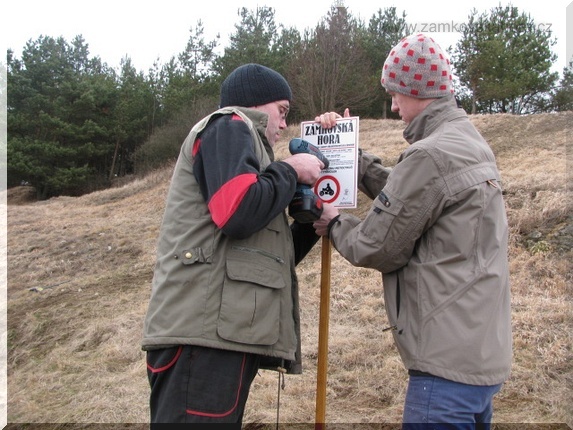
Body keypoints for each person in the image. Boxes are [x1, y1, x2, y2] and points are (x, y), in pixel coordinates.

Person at [313, 34, 512, 428]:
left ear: (415, 90)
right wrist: (353, 157)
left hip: (444, 369)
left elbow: (376, 246)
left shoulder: (430, 155)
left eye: (395, 94)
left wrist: (333, 221)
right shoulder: (467, 141)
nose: (392, 105)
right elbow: (415, 198)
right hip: (480, 356)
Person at [142, 63, 328, 425]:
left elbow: (263, 255)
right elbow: (238, 212)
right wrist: (290, 171)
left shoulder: (251, 155)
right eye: (282, 111)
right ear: (256, 106)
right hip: (202, 340)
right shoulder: (229, 125)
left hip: (217, 338)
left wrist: (310, 228)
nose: (284, 125)